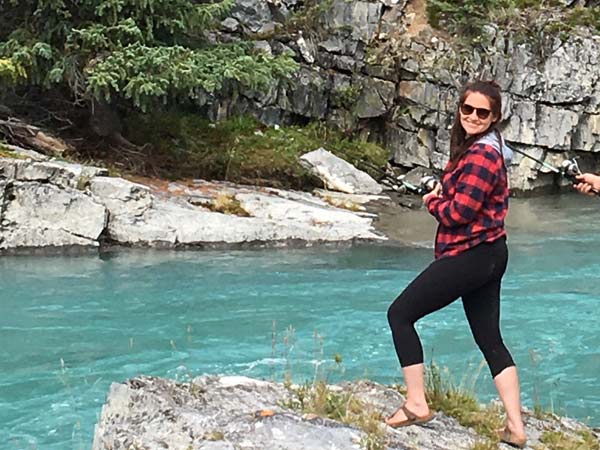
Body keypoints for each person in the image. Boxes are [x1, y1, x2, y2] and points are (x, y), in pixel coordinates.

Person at [385, 80, 527, 448]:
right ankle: (516, 427)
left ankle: (417, 403)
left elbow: (458, 214)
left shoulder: (481, 155)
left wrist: (432, 200)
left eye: (483, 112)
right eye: (468, 110)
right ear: (460, 110)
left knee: (399, 315)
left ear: (494, 117)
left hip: (471, 254)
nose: (474, 117)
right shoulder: (489, 148)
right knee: (490, 339)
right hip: (493, 252)